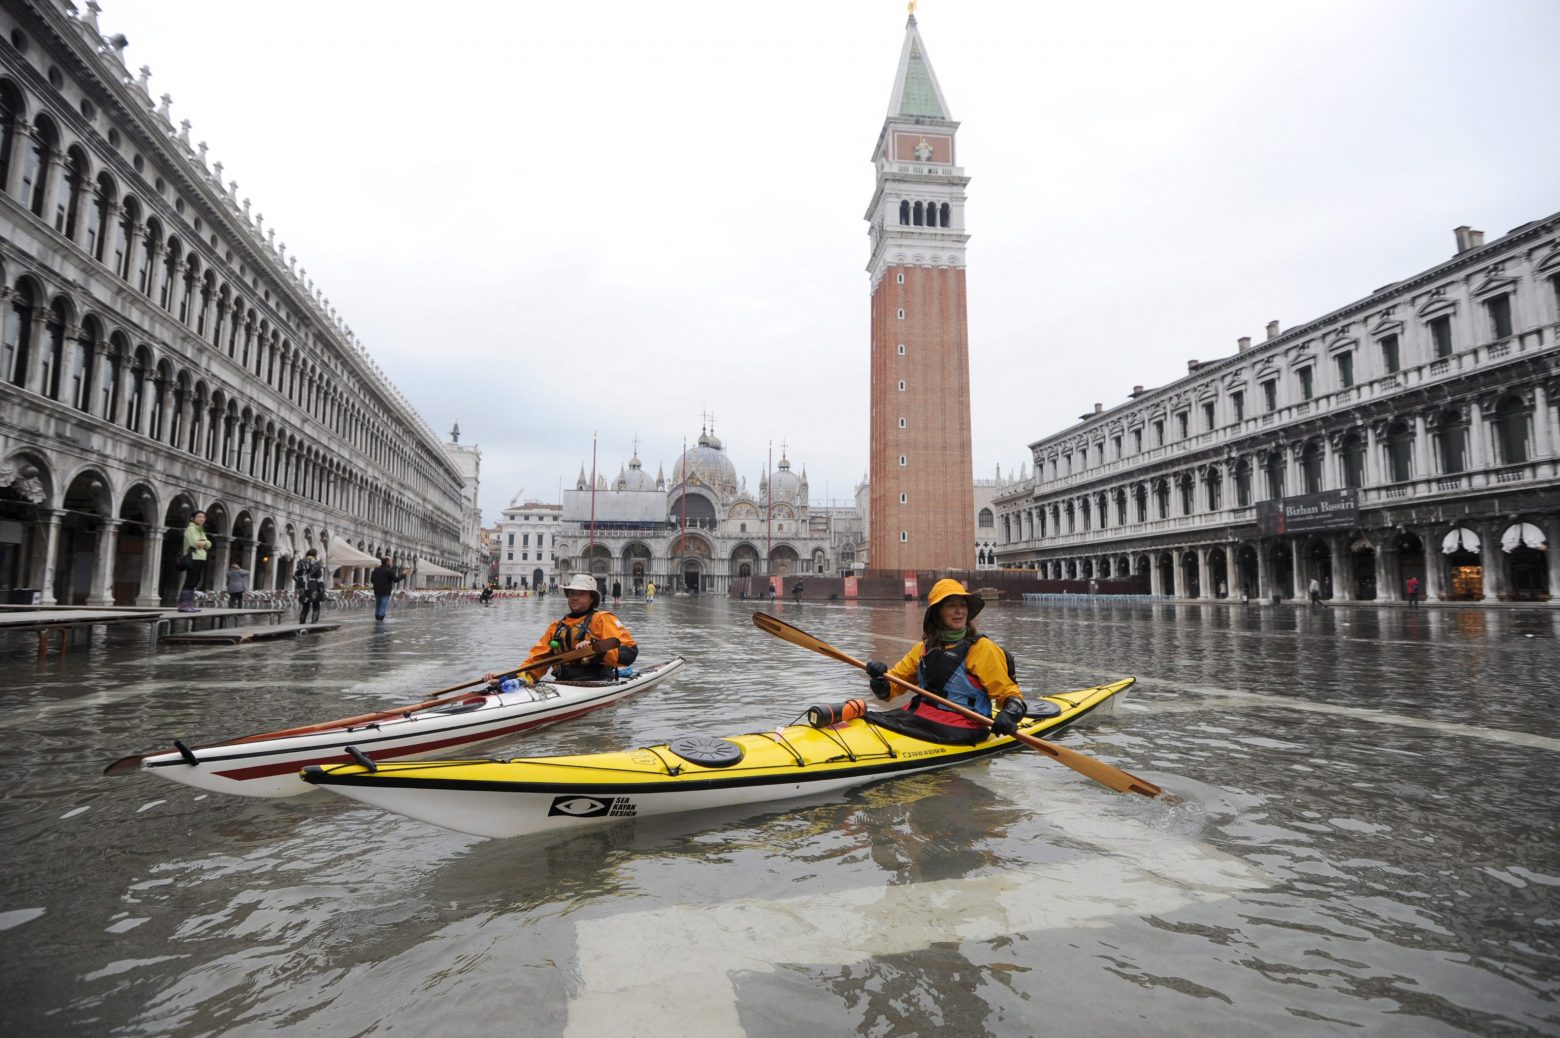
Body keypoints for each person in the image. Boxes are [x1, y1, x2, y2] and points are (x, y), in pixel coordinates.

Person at [863, 578, 1025, 746]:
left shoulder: (982, 648)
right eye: (951, 605)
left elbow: (1009, 694)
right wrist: (880, 679)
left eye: (962, 605)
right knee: (865, 717)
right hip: (920, 714)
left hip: (964, 725)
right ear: (937, 613)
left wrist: (1009, 714)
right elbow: (892, 688)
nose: (959, 611)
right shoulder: (923, 649)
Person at [484, 573, 637, 687]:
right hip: (563, 684)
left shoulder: (603, 619)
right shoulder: (556, 627)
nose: (575, 598)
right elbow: (537, 661)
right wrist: (506, 677)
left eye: (581, 594)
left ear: (591, 598)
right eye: (572, 594)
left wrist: (595, 648)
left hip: (596, 683)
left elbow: (629, 653)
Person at [177, 510, 211, 613]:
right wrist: (204, 542)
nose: (202, 519)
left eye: (203, 517)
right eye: (199, 517)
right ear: (192, 518)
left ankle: (189, 604)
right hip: (193, 556)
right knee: (190, 581)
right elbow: (195, 543)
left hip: (200, 557)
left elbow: (209, 544)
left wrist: (204, 542)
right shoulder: (191, 529)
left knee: (194, 582)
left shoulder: (200, 530)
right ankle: (184, 605)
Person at [370, 556, 408, 621]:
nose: (391, 562)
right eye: (390, 561)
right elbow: (396, 580)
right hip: (385, 592)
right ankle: (380, 622)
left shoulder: (375, 570)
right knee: (383, 606)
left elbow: (372, 580)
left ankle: (377, 620)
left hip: (377, 591)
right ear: (387, 562)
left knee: (378, 606)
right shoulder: (389, 571)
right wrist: (403, 574)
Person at [294, 548, 326, 624]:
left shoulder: (300, 562)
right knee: (316, 606)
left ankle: (301, 624)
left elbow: (294, 575)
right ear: (315, 555)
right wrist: (322, 590)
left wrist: (299, 583)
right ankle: (314, 624)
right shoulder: (317, 564)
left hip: (303, 588)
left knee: (305, 607)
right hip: (314, 587)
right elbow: (320, 578)